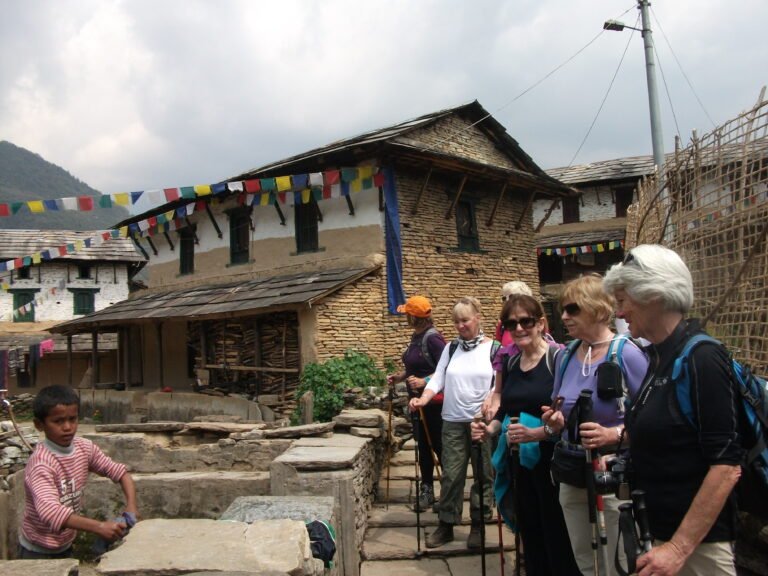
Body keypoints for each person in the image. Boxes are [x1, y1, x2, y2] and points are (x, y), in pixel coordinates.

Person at [603, 244, 742, 576]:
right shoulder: (659, 357)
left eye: (623, 301)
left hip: (696, 550)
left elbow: (726, 466)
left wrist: (679, 549)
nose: (619, 313)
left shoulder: (702, 358)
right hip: (660, 537)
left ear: (652, 294)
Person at [541, 274, 648, 576]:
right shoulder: (566, 355)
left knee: (618, 559)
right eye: (563, 309)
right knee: (585, 558)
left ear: (598, 309)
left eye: (572, 309)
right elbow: (557, 408)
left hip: (613, 473)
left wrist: (612, 434)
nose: (564, 316)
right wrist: (555, 421)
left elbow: (653, 417)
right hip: (572, 469)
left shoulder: (627, 353)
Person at [472, 294, 580, 575]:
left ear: (541, 323)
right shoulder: (511, 364)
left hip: (553, 464)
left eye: (525, 321)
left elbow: (570, 417)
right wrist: (489, 428)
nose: (518, 329)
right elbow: (504, 412)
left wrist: (538, 433)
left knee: (558, 535)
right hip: (519, 462)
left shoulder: (558, 360)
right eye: (511, 323)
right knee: (529, 532)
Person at [409, 296, 496, 549]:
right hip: (453, 421)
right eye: (456, 322)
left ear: (478, 318)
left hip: (481, 422)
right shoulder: (451, 348)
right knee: (452, 474)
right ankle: (446, 523)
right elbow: (438, 378)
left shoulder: (494, 349)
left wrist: (491, 401)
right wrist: (424, 399)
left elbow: (498, 384)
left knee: (483, 474)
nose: (460, 326)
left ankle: (479, 525)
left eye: (465, 320)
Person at [19, 385, 138, 559]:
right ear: (39, 425)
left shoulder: (84, 448)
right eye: (58, 421)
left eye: (72, 419)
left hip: (65, 545)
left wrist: (131, 506)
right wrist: (99, 527)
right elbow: (52, 513)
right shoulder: (41, 464)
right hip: (37, 551)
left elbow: (120, 473)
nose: (67, 427)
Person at [388, 295, 447, 511]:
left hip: (435, 404)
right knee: (423, 446)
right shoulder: (416, 337)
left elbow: (447, 368)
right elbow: (414, 367)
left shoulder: (434, 339)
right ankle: (427, 489)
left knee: (439, 446)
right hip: (417, 404)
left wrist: (425, 381)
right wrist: (400, 377)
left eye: (407, 315)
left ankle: (449, 492)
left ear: (416, 318)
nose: (405, 318)